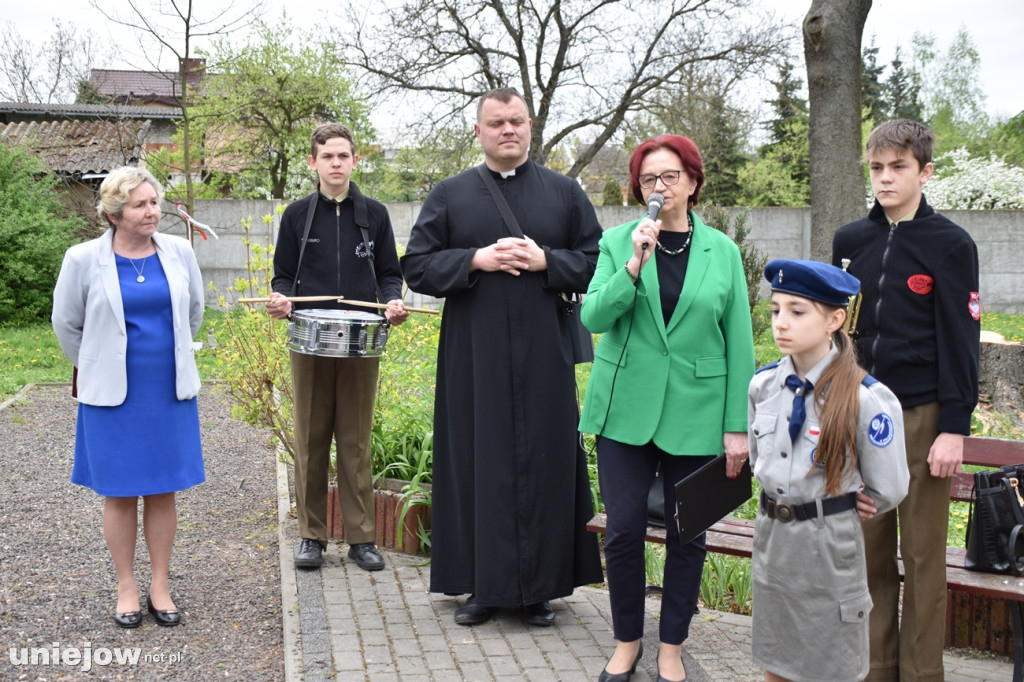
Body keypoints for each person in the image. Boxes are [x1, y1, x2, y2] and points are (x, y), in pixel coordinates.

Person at [401, 87, 603, 628]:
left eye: (516, 121)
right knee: (478, 461)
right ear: (479, 131)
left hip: (544, 354)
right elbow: (416, 266)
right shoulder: (450, 194)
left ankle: (540, 589)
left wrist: (545, 261)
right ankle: (482, 588)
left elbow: (594, 263)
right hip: (474, 355)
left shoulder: (565, 192)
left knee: (545, 461)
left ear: (530, 126)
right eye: (496, 123)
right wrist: (476, 258)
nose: (507, 130)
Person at [578, 134, 755, 682]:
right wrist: (633, 265)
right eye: (649, 179)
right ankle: (627, 641)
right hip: (625, 411)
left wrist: (737, 429)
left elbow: (740, 345)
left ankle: (672, 647)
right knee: (625, 531)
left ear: (692, 184)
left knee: (688, 536)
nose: (659, 187)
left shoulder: (722, 251)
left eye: (670, 176)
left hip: (698, 413)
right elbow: (592, 318)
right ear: (639, 189)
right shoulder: (616, 243)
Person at [832, 119, 981, 682]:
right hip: (862, 413)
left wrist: (954, 426)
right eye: (877, 168)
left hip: (922, 420)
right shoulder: (851, 241)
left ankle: (921, 675)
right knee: (867, 552)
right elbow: (839, 329)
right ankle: (875, 670)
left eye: (898, 167)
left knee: (921, 560)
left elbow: (961, 341)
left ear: (925, 171)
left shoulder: (950, 244)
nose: (885, 178)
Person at [51, 166, 205, 628]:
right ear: (115, 213)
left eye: (154, 202)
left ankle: (160, 583)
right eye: (140, 205)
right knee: (119, 493)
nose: (152, 211)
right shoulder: (82, 259)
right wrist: (99, 363)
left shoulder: (178, 252)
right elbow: (66, 325)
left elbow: (193, 311)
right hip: (112, 397)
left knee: (162, 489)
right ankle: (126, 585)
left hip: (167, 391)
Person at [749, 259, 910, 682]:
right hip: (774, 542)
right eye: (775, 310)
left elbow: (889, 485)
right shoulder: (763, 386)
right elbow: (757, 460)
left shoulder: (866, 398)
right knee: (777, 665)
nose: (781, 322)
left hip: (827, 547)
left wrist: (853, 498)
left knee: (832, 668)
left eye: (797, 311)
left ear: (834, 320)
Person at [266, 123, 408, 571]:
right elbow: (282, 276)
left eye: (343, 156)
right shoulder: (296, 215)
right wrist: (281, 300)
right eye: (327, 156)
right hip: (309, 341)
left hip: (361, 344)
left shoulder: (376, 215)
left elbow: (389, 273)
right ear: (313, 162)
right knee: (309, 440)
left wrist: (392, 301)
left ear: (354, 160)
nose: (335, 163)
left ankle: (362, 539)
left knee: (354, 441)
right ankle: (311, 537)